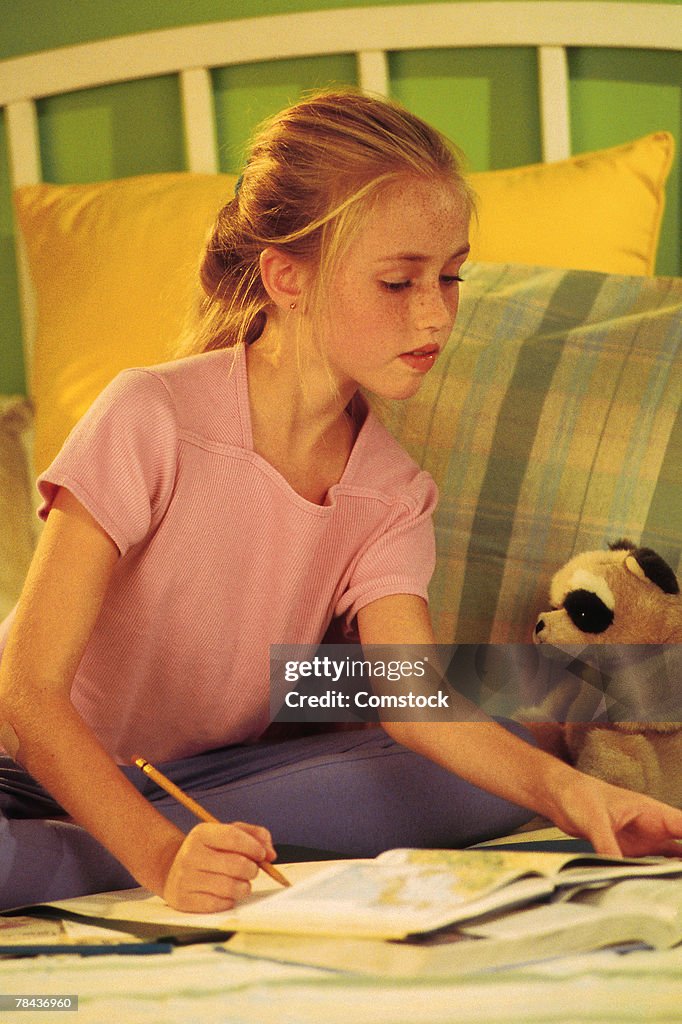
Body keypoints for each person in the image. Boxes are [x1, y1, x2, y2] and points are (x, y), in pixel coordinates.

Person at [0, 91, 680, 914]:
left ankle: (122, 854)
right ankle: (97, 855)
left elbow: (412, 705)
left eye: (451, 276)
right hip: (27, 769)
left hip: (202, 779)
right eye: (398, 280)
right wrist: (158, 856)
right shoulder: (151, 415)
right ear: (288, 276)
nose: (435, 312)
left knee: (506, 748)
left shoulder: (392, 491)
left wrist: (582, 800)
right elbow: (26, 690)